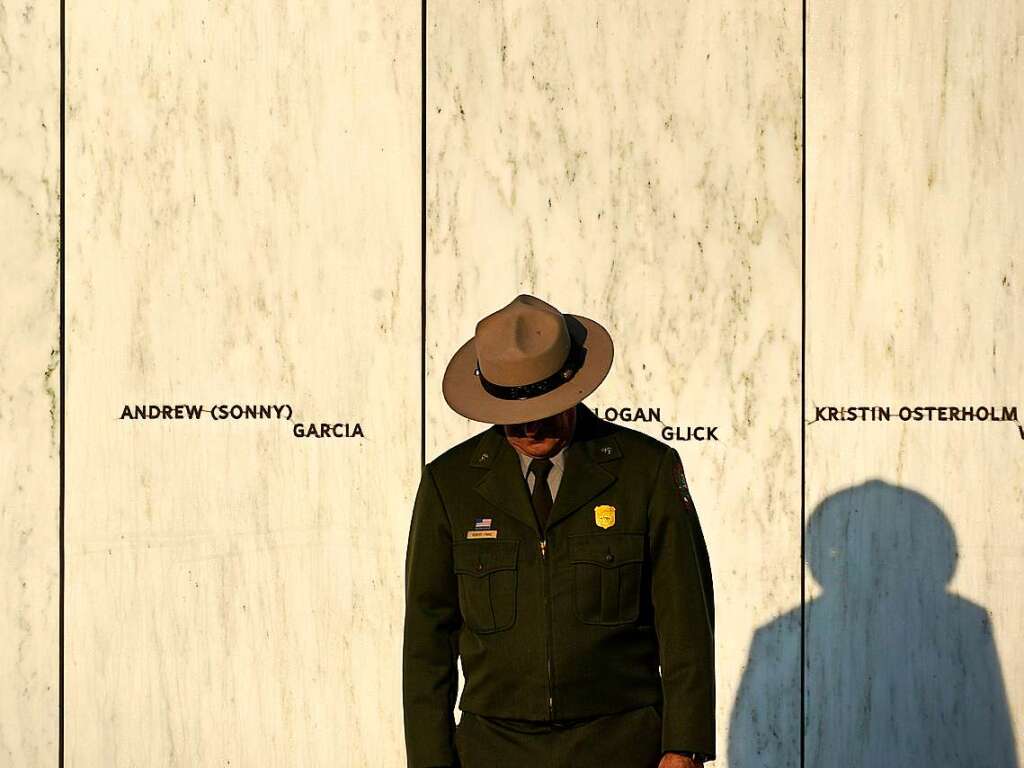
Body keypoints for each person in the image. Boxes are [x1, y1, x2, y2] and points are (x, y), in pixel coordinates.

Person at [403, 294, 715, 768]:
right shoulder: (451, 484)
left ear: (573, 387)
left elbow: (685, 620)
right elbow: (428, 637)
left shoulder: (644, 472)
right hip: (494, 751)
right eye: (514, 411)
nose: (531, 425)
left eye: (545, 404)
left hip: (622, 743)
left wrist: (684, 746)